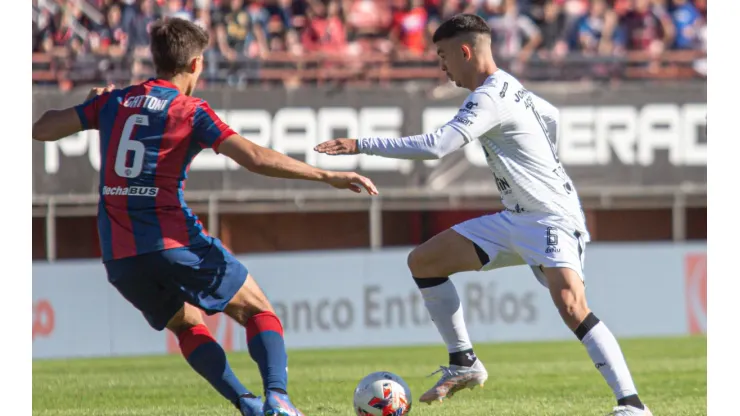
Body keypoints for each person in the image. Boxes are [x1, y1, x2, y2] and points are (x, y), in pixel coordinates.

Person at [32, 17, 378, 416]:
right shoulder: (190, 110)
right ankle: (278, 400)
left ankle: (246, 403)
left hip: (120, 257)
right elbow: (255, 158)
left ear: (156, 59)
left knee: (187, 325)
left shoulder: (113, 101)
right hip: (175, 244)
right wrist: (327, 176)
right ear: (196, 64)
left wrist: (89, 100)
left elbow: (42, 129)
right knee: (258, 311)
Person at [315, 13, 650, 416]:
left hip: (550, 217)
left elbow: (439, 145)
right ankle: (464, 362)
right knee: (423, 262)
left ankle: (632, 405)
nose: (442, 66)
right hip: (515, 217)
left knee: (571, 304)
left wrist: (360, 143)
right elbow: (552, 117)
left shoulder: (490, 96)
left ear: (465, 51)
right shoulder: (512, 87)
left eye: (442, 55)